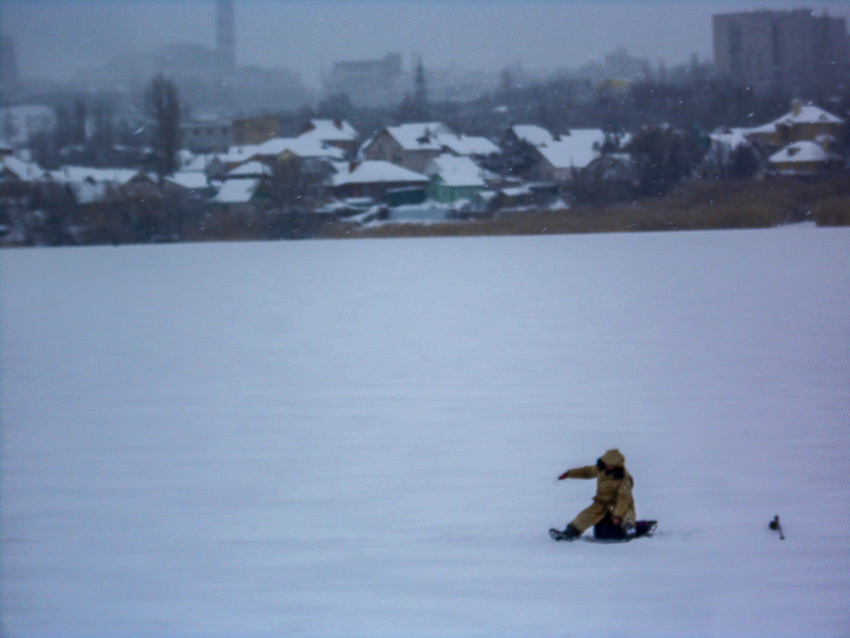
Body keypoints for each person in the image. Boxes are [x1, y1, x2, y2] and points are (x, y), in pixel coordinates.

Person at [551, 448, 636, 541]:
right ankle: (570, 532)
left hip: (618, 505)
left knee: (627, 515)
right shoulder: (600, 469)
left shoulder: (624, 479)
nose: (608, 467)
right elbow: (586, 472)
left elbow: (623, 499)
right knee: (585, 516)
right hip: (600, 504)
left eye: (611, 465)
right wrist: (569, 474)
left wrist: (618, 516)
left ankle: (629, 528)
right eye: (607, 464)